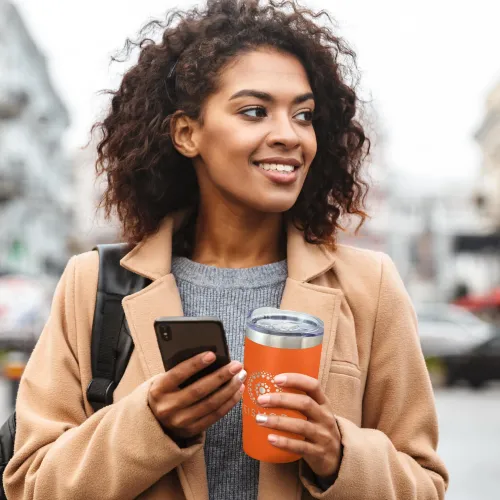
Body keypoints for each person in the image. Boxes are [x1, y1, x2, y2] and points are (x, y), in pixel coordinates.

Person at [4, 0, 448, 498]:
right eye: (255, 111)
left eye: (304, 115)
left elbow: (425, 485)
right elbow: (31, 484)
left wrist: (339, 453)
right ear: (187, 133)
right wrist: (151, 425)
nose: (289, 135)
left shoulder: (371, 286)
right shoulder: (94, 284)